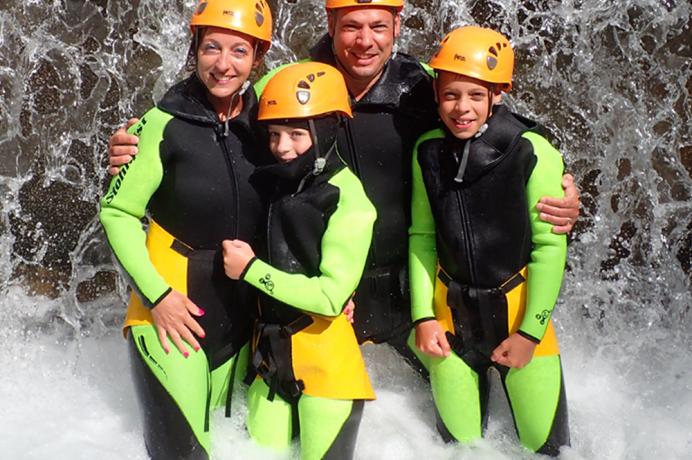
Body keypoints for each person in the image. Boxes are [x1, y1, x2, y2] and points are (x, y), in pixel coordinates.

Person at [106, 0, 580, 375]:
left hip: (409, 293)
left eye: (377, 25)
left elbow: (501, 127)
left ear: (398, 23)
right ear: (330, 22)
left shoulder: (425, 89)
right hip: (312, 291)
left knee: (451, 425)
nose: (365, 40)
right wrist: (135, 139)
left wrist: (563, 184)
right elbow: (212, 117)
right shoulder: (290, 85)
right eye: (352, 25)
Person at [98, 1, 273, 458]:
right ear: (194, 49)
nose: (223, 63)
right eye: (211, 47)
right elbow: (117, 213)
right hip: (171, 311)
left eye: (239, 51)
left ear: (258, 57)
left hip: (242, 315)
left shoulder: (272, 125)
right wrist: (157, 297)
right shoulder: (159, 125)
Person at [409, 26, 570, 455]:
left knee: (548, 451)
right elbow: (422, 238)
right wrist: (423, 317)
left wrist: (530, 335)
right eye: (450, 95)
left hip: (518, 317)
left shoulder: (532, 150)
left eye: (476, 96)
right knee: (460, 451)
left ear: (498, 94)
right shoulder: (426, 151)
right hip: (451, 321)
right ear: (437, 92)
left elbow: (550, 247)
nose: (462, 108)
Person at [222, 62, 375, 460]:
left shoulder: (349, 198)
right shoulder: (276, 179)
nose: (283, 147)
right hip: (271, 357)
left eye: (296, 135)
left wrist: (252, 271)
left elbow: (329, 297)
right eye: (274, 135)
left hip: (326, 363)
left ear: (325, 132)